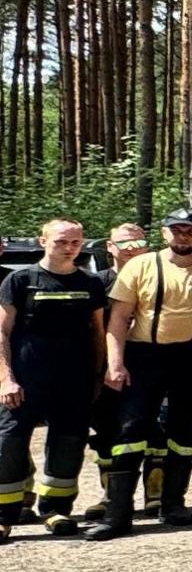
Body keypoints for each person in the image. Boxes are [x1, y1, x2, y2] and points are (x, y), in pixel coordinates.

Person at [95, 209, 192, 539]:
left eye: (190, 231)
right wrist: (115, 363)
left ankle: (172, 504)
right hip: (145, 357)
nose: (183, 236)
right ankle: (118, 515)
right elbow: (117, 319)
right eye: (175, 230)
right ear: (164, 235)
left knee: (184, 434)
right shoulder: (140, 266)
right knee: (130, 432)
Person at [0, 219, 106, 542]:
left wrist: (98, 376)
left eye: (75, 242)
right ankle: (4, 515)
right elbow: (2, 332)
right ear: (42, 240)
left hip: (74, 382)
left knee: (69, 444)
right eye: (61, 241)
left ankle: (55, 509)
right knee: (9, 444)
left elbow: (98, 334)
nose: (69, 247)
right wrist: (6, 379)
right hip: (25, 382)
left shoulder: (90, 282)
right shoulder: (19, 280)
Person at [86, 223, 156, 521]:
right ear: (109, 248)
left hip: (149, 365)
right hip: (104, 369)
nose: (132, 250)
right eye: (124, 245)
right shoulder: (95, 283)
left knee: (156, 431)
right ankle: (111, 495)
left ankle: (156, 495)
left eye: (138, 244)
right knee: (106, 433)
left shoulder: (157, 277)